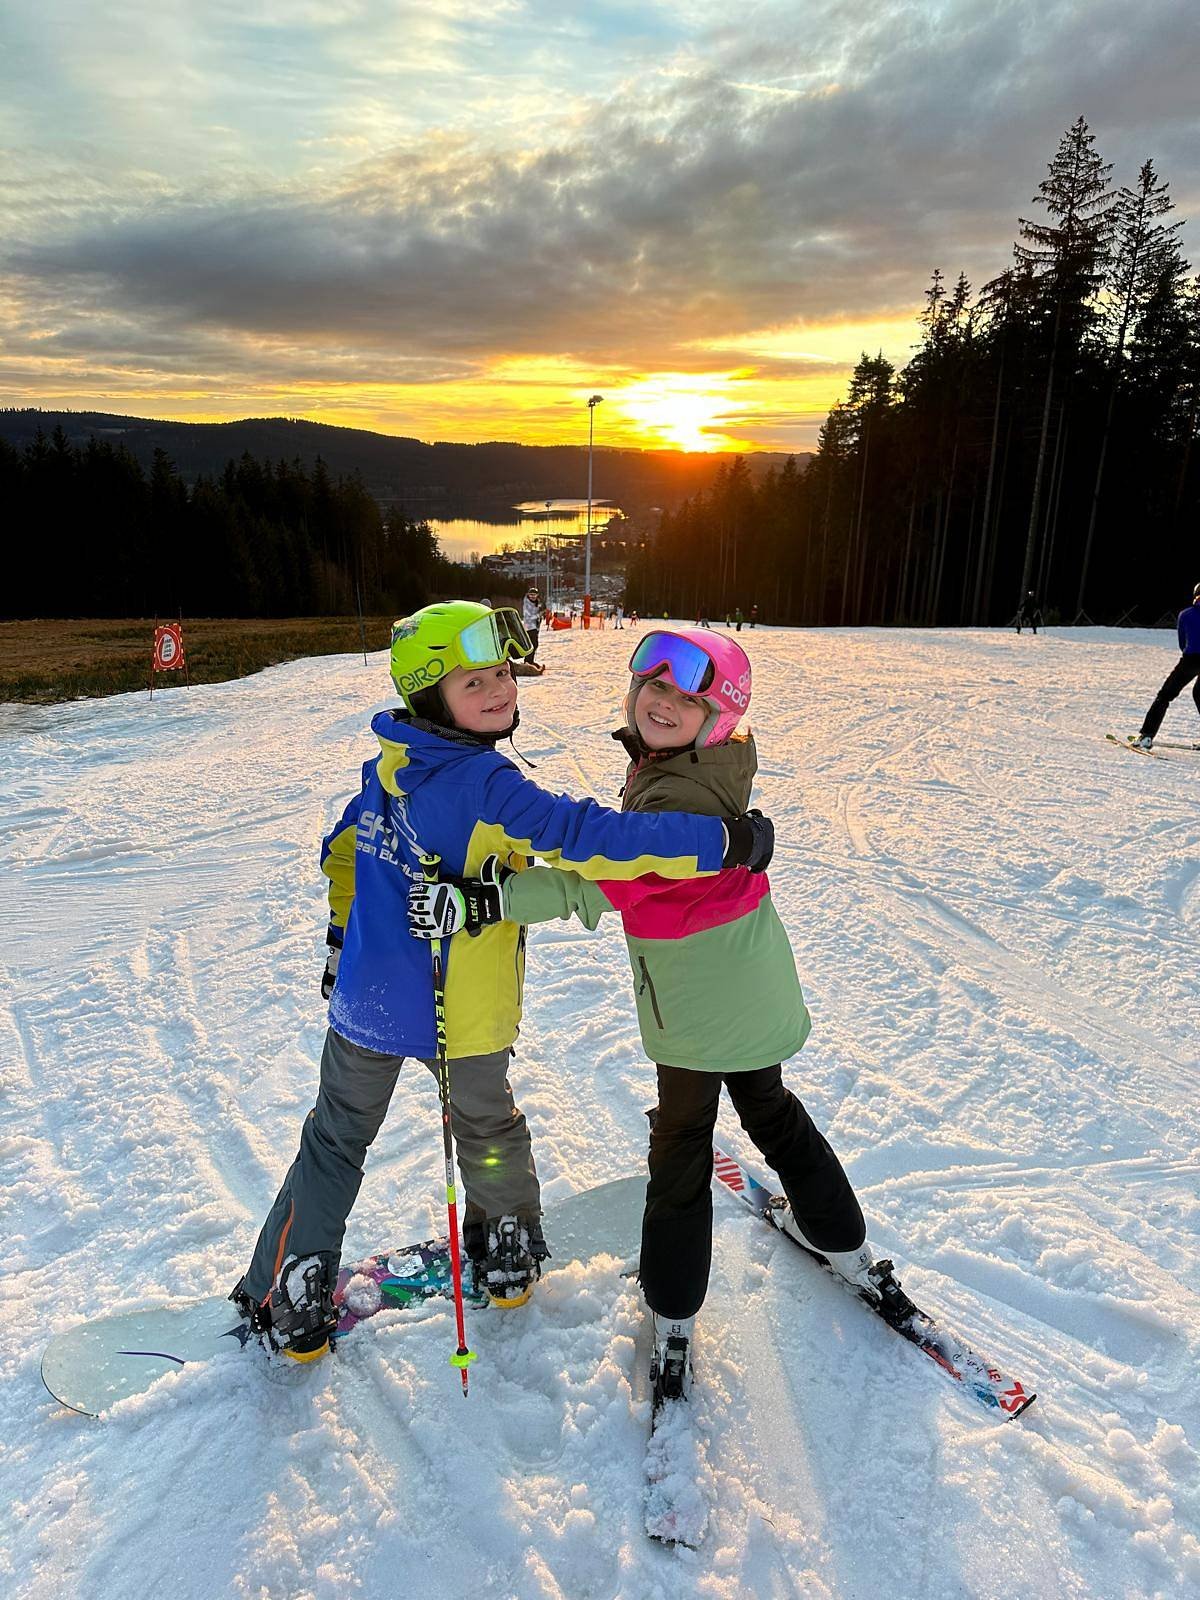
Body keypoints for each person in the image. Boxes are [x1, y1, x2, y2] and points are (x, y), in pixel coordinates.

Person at [230, 603, 775, 1361]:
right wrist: (723, 840)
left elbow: (346, 849)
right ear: (430, 695)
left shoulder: (391, 759)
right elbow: (596, 839)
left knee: (335, 1140)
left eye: (502, 676)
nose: (498, 692)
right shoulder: (487, 782)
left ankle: (291, 1284)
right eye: (473, 681)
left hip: (370, 1002)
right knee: (485, 1128)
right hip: (464, 1010)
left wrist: (337, 939)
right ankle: (506, 1241)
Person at [410, 628, 878, 1403]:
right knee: (772, 1111)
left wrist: (490, 900)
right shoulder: (715, 764)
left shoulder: (670, 796)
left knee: (684, 1146)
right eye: (653, 688)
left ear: (716, 717)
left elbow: (596, 880)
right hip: (755, 979)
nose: (663, 703)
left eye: (688, 698)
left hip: (694, 1006)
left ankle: (673, 1310)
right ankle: (846, 1243)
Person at [1133, 581, 1200, 750]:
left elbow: (1181, 642)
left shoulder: (1185, 614)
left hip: (1191, 659)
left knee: (1164, 696)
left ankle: (1146, 736)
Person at [522, 586, 543, 663]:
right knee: (533, 644)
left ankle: (530, 660)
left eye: (534, 595)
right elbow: (528, 616)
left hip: (534, 626)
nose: (533, 597)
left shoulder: (536, 603)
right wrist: (539, 615)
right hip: (529, 627)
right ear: (528, 595)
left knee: (534, 644)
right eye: (531, 595)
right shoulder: (527, 603)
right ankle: (528, 661)